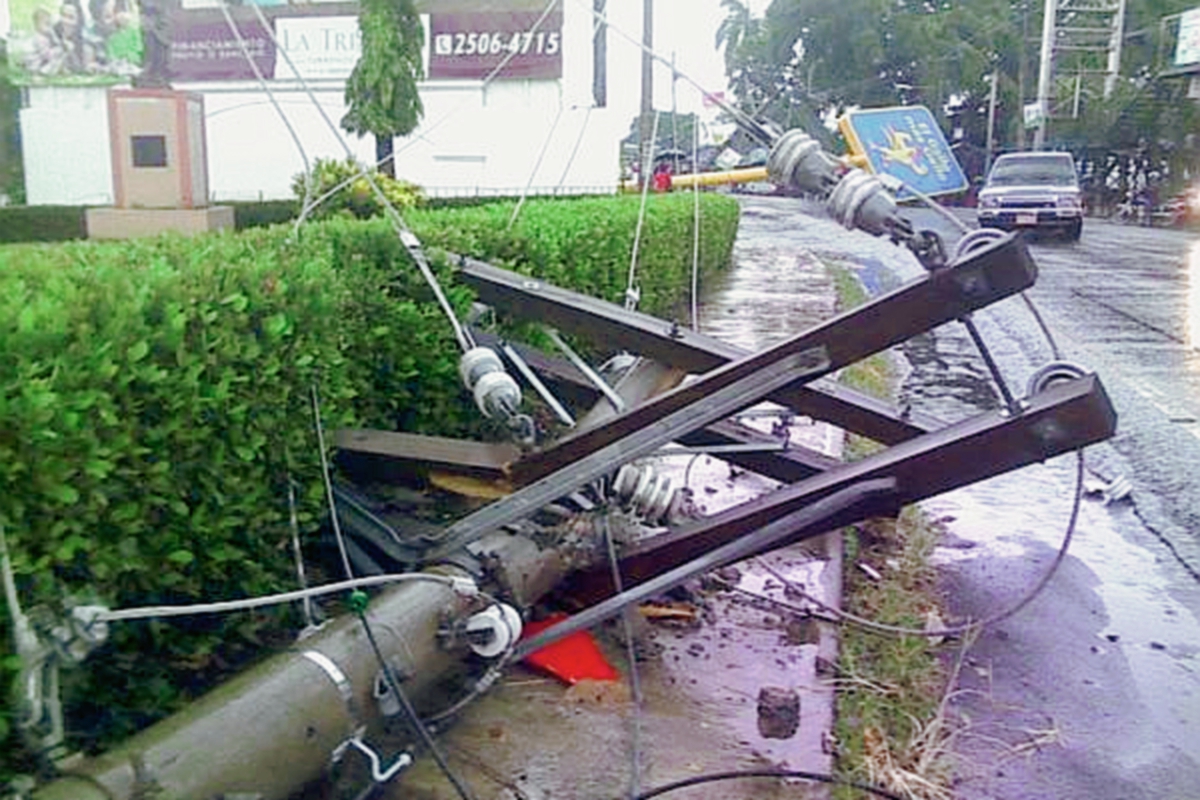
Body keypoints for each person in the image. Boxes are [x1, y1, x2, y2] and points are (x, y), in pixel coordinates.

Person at [25, 8, 67, 76]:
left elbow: (57, 43)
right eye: (46, 24)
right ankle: (43, 72)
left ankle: (59, 70)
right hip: (37, 62)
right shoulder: (39, 38)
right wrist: (59, 50)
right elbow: (47, 55)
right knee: (55, 60)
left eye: (49, 24)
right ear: (36, 25)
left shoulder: (47, 36)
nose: (49, 28)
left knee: (58, 59)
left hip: (43, 59)